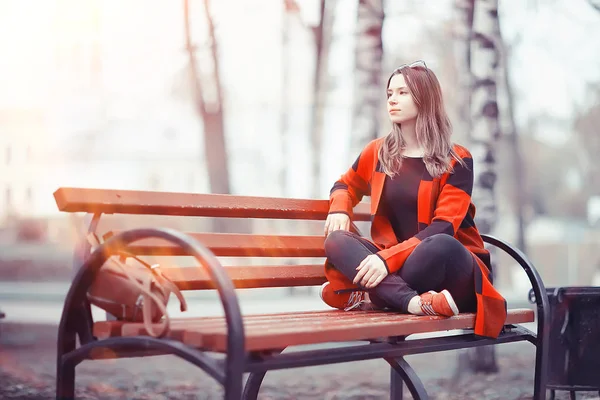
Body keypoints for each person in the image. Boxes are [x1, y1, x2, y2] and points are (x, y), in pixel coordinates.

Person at [320, 60, 507, 338]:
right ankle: (413, 302)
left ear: (425, 97)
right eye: (389, 94)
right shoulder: (378, 152)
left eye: (402, 93)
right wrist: (340, 210)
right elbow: (344, 185)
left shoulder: (457, 159)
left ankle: (377, 293)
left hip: (449, 272)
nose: (392, 100)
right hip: (404, 276)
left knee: (440, 244)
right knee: (336, 240)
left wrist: (385, 261)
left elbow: (444, 226)